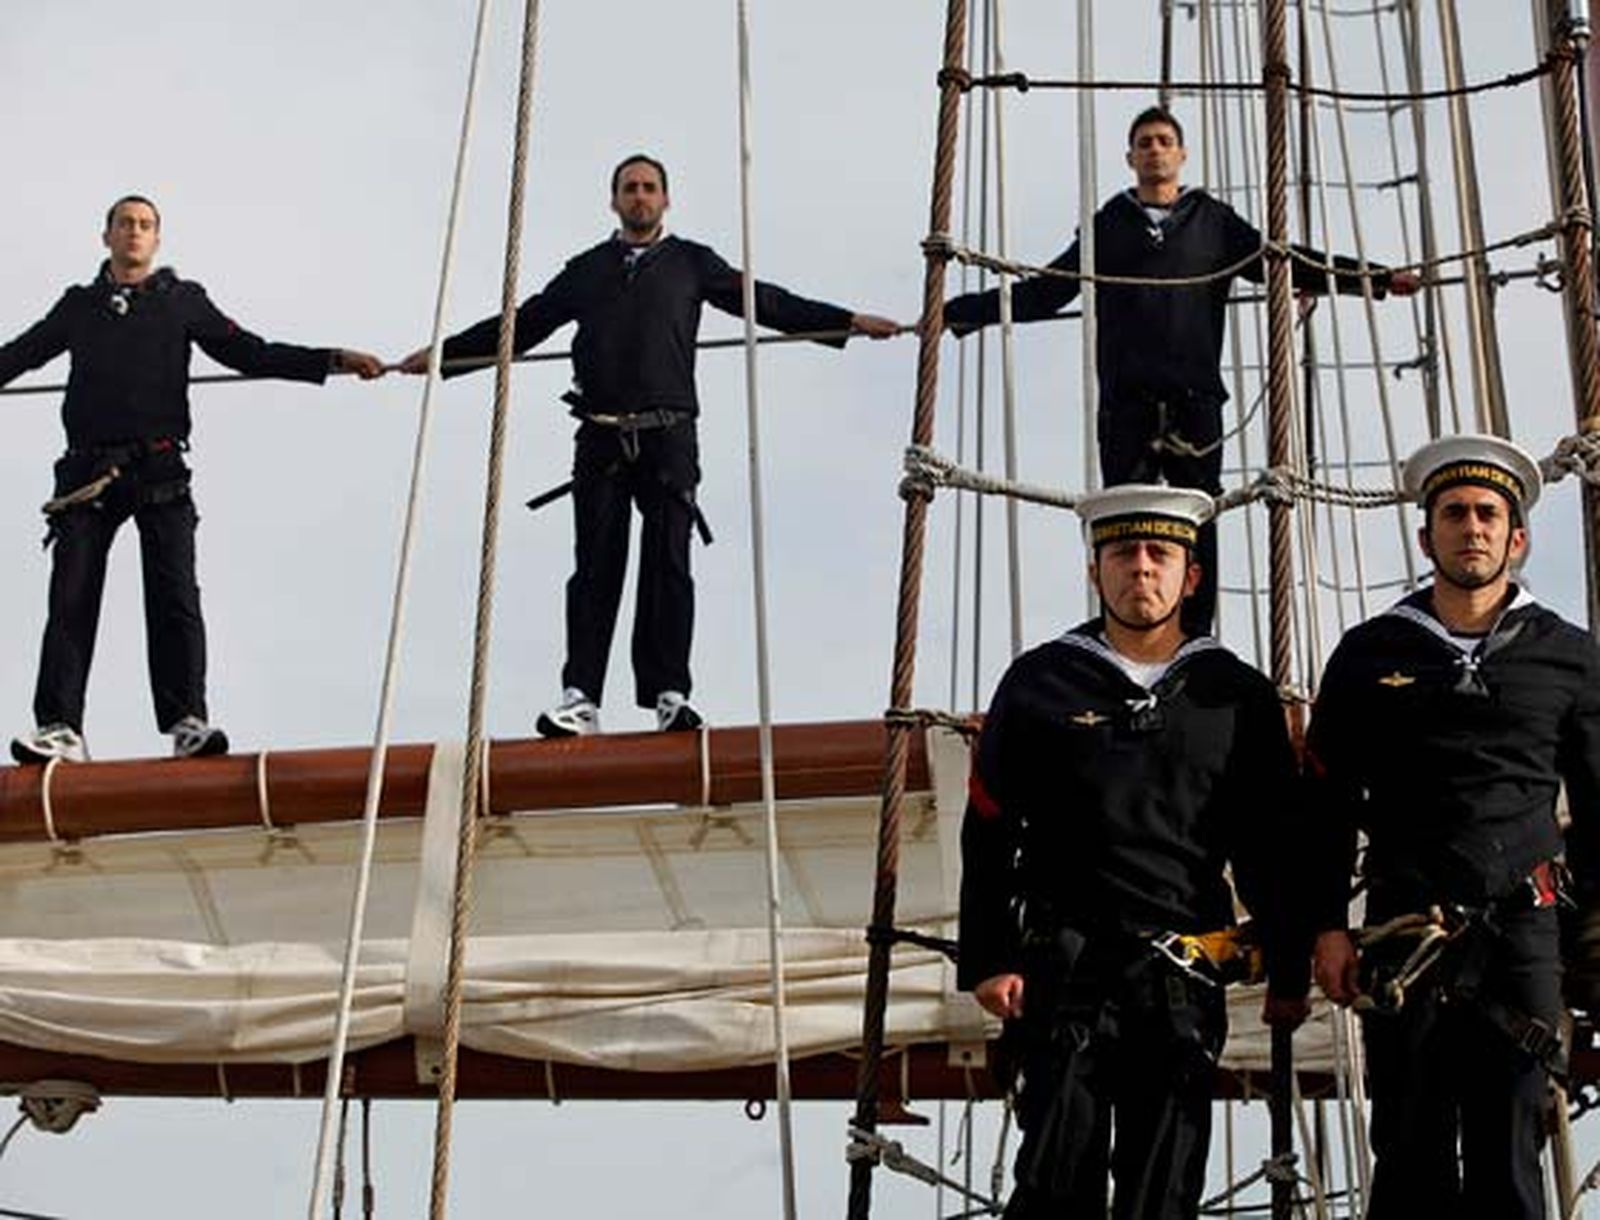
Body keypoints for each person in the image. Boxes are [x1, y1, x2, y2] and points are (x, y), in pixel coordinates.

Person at [402, 153, 899, 738]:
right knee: (595, 567)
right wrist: (444, 358)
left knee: (669, 563)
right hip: (601, 435)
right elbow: (524, 325)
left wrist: (846, 321)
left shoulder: (692, 263)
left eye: (649, 187)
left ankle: (669, 693)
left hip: (669, 435)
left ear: (665, 199)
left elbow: (764, 300)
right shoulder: (586, 270)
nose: (639, 196)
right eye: (630, 188)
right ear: (614, 200)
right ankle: (580, 697)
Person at [942, 105, 1420, 637]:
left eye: (1163, 141)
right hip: (1127, 399)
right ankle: (1127, 633)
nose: (1154, 150)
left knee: (1198, 517)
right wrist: (953, 314)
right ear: (1130, 157)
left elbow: (1283, 263)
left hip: (1195, 397)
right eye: (1144, 142)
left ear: (1181, 154)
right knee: (1126, 521)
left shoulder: (1212, 222)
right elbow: (1045, 292)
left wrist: (1374, 278)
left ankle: (1194, 635)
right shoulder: (1108, 226)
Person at [958, 485, 1305, 1218]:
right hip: (1065, 971)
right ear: (1095, 571)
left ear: (1191, 576)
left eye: (1159, 554)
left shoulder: (1236, 695)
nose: (1140, 567)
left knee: (1164, 1193)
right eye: (1122, 553)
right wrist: (988, 956)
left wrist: (1288, 962)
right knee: (1053, 1187)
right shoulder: (1040, 683)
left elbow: (1270, 843)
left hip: (1182, 979)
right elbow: (988, 829)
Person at [1305, 434, 1600, 1219]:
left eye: (1488, 515)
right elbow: (1326, 806)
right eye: (1455, 514)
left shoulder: (1568, 657)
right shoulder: (1368, 656)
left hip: (1521, 936)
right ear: (1426, 535)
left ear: (1517, 537)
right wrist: (1326, 926)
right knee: (1409, 1154)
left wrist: (1594, 938)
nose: (1472, 528)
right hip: (1405, 933)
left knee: (1512, 1155)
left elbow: (1599, 809)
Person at [0, 195, 385, 764]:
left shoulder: (182, 301)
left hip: (159, 471)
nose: (134, 232)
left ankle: (187, 722)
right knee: (71, 598)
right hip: (86, 475)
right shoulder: (79, 307)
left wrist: (331, 359)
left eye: (145, 225)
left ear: (157, 240)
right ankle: (59, 727)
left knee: (175, 596)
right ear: (106, 236)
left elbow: (249, 353)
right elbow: (20, 355)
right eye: (125, 224)